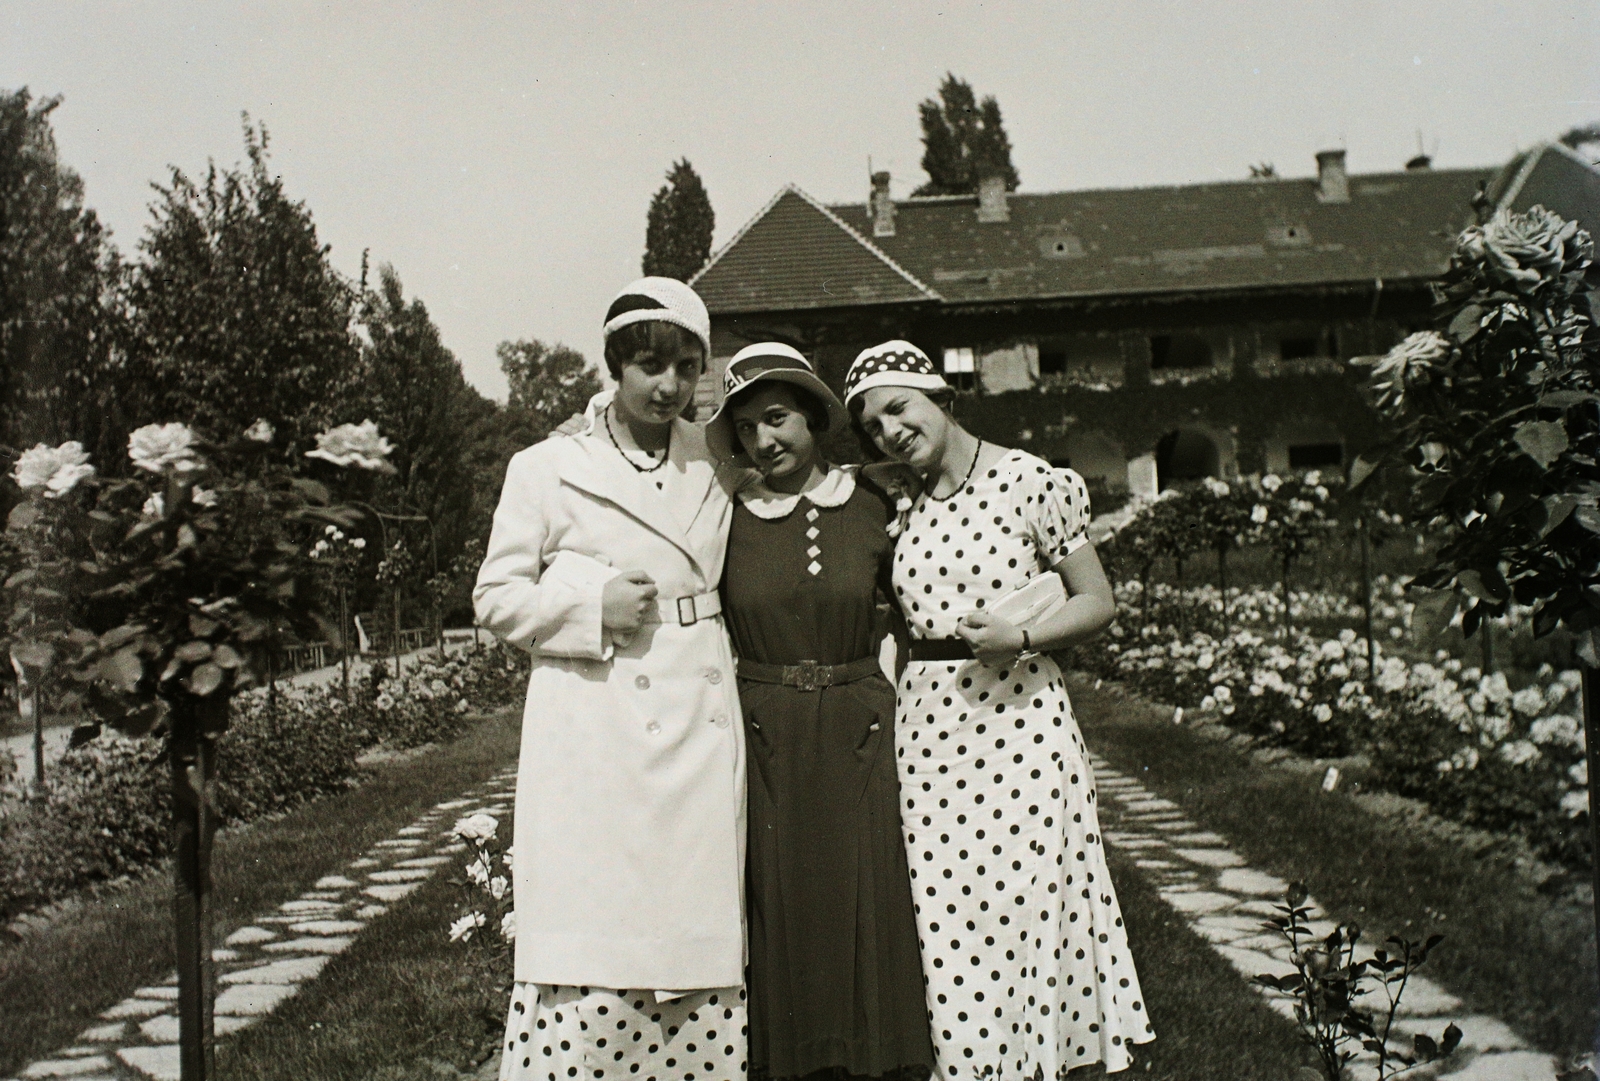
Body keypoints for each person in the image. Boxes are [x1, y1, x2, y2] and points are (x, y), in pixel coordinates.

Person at [843, 341, 1155, 1079]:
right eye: (871, 425)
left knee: (1025, 909)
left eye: (898, 408)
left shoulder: (1027, 481)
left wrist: (1020, 634)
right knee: (948, 919)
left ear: (939, 395)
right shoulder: (902, 505)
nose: (888, 432)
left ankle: (1039, 1063)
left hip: (1019, 727)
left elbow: (1097, 601)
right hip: (929, 735)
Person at [474, 277, 748, 1081]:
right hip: (597, 714)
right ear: (614, 365)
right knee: (604, 908)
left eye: (686, 368)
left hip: (700, 706)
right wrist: (593, 606)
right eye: (648, 367)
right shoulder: (547, 466)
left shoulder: (718, 455)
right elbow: (494, 597)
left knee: (696, 911)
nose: (667, 388)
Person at [701, 343, 934, 1081]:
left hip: (861, 724)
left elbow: (922, 601)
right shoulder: (724, 514)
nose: (762, 441)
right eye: (744, 429)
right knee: (781, 900)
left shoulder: (876, 500)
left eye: (776, 419)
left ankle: (879, 1059)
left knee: (867, 892)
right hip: (764, 730)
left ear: (813, 416)